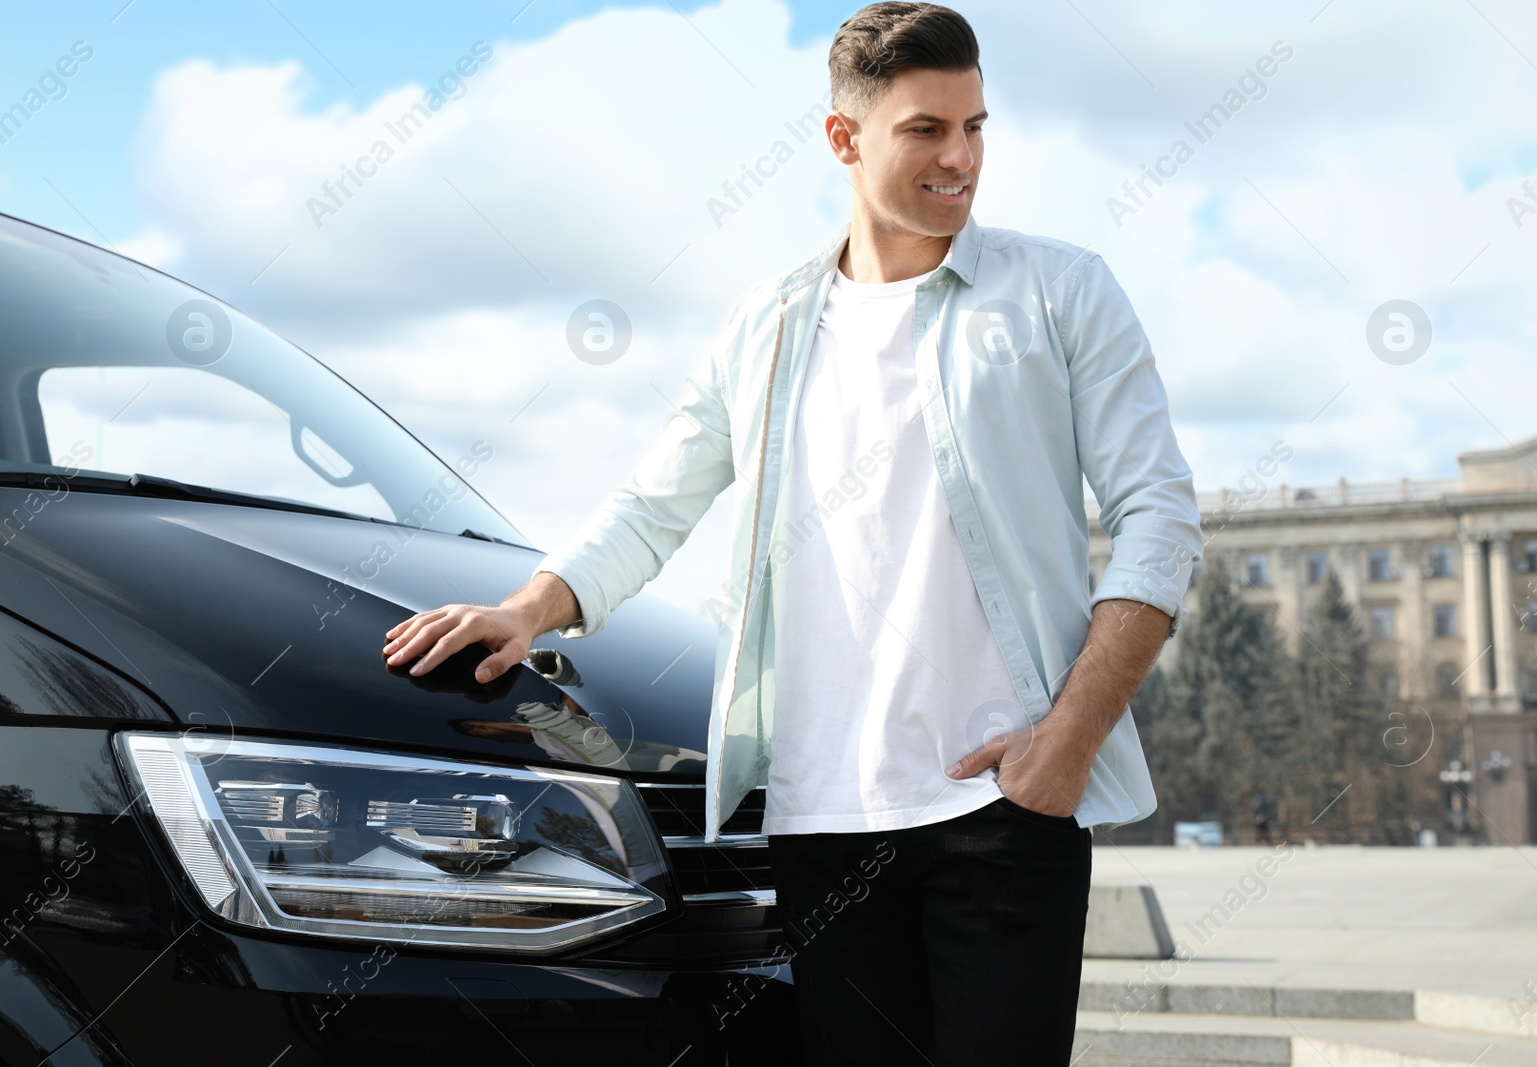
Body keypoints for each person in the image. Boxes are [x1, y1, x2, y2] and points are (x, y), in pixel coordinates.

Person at [381, 3, 1203, 1062]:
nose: (961, 158)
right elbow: (654, 499)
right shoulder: (764, 326)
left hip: (1001, 805)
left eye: (977, 126)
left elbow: (1160, 516)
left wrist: (1067, 742)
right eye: (925, 130)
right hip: (821, 821)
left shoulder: (1061, 292)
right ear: (843, 138)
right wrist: (529, 605)